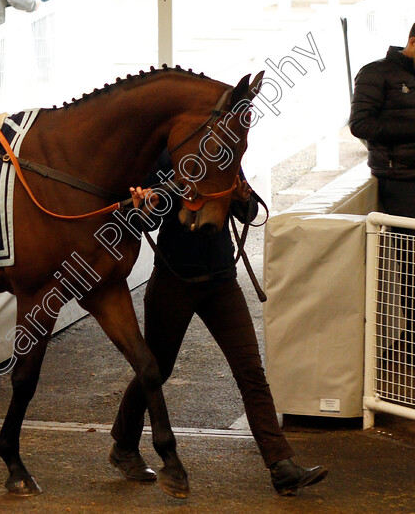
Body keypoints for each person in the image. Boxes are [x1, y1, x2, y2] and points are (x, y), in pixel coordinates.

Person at [109, 152, 328, 496]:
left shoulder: (221, 153)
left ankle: (281, 465)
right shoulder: (164, 157)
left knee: (251, 372)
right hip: (173, 284)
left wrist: (242, 198)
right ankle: (123, 445)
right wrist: (142, 208)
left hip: (222, 282)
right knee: (156, 370)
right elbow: (143, 222)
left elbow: (250, 211)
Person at [350, 23, 415, 353]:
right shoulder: (376, 73)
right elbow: (360, 124)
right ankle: (410, 341)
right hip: (400, 183)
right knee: (410, 266)